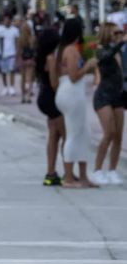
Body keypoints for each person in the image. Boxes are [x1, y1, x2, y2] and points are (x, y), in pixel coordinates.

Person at [54, 18, 98, 188]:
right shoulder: (71, 50)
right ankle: (69, 178)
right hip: (71, 93)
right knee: (73, 135)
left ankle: (83, 176)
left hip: (71, 93)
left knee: (83, 133)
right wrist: (88, 66)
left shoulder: (64, 49)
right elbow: (74, 76)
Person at [91, 23, 125, 185]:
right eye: (116, 32)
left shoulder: (120, 51)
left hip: (119, 95)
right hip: (103, 96)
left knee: (118, 135)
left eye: (120, 32)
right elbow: (105, 56)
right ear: (107, 33)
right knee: (109, 133)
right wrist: (121, 42)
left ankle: (112, 170)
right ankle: (97, 170)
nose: (119, 34)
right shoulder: (101, 49)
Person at [36, 29, 64, 186]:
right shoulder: (51, 58)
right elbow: (54, 83)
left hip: (43, 97)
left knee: (54, 135)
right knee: (66, 136)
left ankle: (50, 173)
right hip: (52, 99)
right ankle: (68, 172)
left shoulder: (41, 57)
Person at [0, 14, 20, 97]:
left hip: (12, 53)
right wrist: (0, 52)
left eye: (8, 20)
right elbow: (0, 42)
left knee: (11, 70)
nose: (6, 22)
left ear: (11, 21)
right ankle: (5, 87)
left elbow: (17, 41)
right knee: (4, 71)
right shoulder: (1, 30)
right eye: (5, 20)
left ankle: (11, 87)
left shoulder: (15, 30)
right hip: (3, 54)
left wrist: (17, 52)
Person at [17, 18, 36, 103]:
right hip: (30, 59)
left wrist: (19, 59)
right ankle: (28, 96)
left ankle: (23, 96)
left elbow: (19, 50)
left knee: (23, 78)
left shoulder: (20, 38)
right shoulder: (32, 38)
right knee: (29, 79)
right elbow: (34, 50)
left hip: (23, 59)